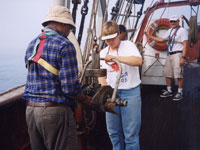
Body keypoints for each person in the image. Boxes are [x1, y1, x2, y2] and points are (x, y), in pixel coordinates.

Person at [23, 6, 88, 150]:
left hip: (31, 112)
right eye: (69, 28)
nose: (68, 32)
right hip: (54, 113)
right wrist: (83, 98)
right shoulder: (65, 45)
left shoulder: (32, 44)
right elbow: (69, 88)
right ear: (62, 24)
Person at [99, 20, 142, 150]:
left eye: (112, 38)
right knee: (113, 133)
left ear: (119, 34)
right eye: (107, 40)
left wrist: (115, 58)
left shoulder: (128, 46)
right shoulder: (102, 53)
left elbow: (138, 61)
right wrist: (104, 88)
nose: (110, 42)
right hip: (111, 94)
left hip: (131, 93)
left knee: (131, 136)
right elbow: (101, 74)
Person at [146, 15, 188, 101]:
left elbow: (185, 45)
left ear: (178, 21)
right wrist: (149, 36)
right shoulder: (170, 30)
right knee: (167, 73)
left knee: (179, 74)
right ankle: (169, 91)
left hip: (178, 54)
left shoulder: (182, 31)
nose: (172, 23)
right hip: (169, 54)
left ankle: (180, 92)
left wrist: (183, 57)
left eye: (174, 21)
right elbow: (162, 40)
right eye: (171, 21)